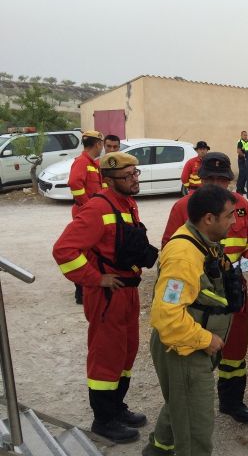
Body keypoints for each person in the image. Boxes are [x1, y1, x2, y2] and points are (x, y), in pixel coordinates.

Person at [53, 152, 157, 444]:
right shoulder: (97, 208)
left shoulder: (127, 203)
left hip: (127, 290)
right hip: (108, 295)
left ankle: (117, 407)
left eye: (136, 173)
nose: (135, 179)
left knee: (126, 351)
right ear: (109, 180)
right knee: (107, 355)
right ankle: (103, 420)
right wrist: (95, 278)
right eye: (128, 176)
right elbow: (63, 250)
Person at [161, 152, 248, 424]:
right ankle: (192, 406)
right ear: (201, 179)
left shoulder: (240, 204)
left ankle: (232, 402)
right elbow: (169, 247)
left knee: (235, 351)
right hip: (200, 296)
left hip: (233, 291)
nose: (217, 185)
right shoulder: (183, 207)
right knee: (196, 351)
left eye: (222, 179)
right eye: (211, 179)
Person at [143, 185, 240, 456]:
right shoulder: (183, 257)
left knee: (182, 402)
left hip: (191, 346)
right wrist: (205, 339)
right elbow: (168, 316)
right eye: (229, 216)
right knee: (195, 426)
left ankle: (158, 450)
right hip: (185, 349)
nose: (234, 221)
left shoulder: (203, 244)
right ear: (208, 218)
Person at [67, 130, 106, 304]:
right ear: (98, 144)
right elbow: (75, 184)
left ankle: (87, 288)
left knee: (92, 251)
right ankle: (80, 292)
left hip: (91, 213)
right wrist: (88, 206)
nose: (102, 147)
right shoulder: (82, 162)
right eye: (102, 144)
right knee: (83, 251)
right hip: (85, 213)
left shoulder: (93, 164)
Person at [236, 131, 248, 195]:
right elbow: (238, 151)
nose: (245, 136)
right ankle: (238, 189)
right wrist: (244, 156)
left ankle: (242, 189)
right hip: (241, 160)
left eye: (246, 135)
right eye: (244, 135)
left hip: (247, 160)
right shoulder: (240, 142)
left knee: (245, 175)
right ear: (241, 135)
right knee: (241, 174)